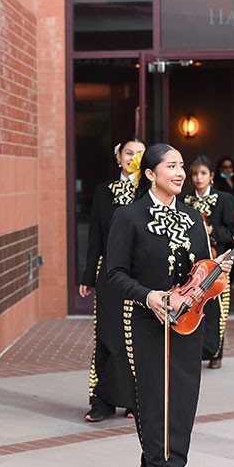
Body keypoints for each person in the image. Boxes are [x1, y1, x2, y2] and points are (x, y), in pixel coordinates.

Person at [106, 143, 234, 467]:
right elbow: (115, 275)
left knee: (180, 408)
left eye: (182, 166)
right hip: (144, 323)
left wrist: (217, 270)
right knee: (153, 408)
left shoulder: (193, 217)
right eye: (171, 167)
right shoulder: (128, 216)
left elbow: (201, 274)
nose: (180, 173)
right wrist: (148, 296)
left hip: (186, 326)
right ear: (150, 174)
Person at [79, 136, 145, 422]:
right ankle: (101, 402)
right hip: (108, 273)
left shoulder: (149, 192)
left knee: (136, 338)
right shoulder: (103, 191)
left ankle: (133, 401)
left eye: (140, 154)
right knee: (106, 335)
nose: (133, 158)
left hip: (141, 275)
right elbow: (95, 237)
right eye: (128, 153)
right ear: (118, 157)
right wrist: (88, 274)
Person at [182, 156, 234, 369]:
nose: (198, 178)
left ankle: (216, 353)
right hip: (194, 264)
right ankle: (196, 351)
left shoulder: (224, 198)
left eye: (203, 173)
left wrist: (213, 231)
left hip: (218, 262)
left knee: (219, 307)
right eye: (195, 173)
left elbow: (232, 232)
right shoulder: (185, 200)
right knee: (194, 304)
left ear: (211, 176)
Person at [213, 156, 234, 287]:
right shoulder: (218, 183)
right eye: (225, 167)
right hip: (222, 222)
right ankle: (223, 282)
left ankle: (231, 281)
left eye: (230, 167)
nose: (227, 170)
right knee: (223, 251)